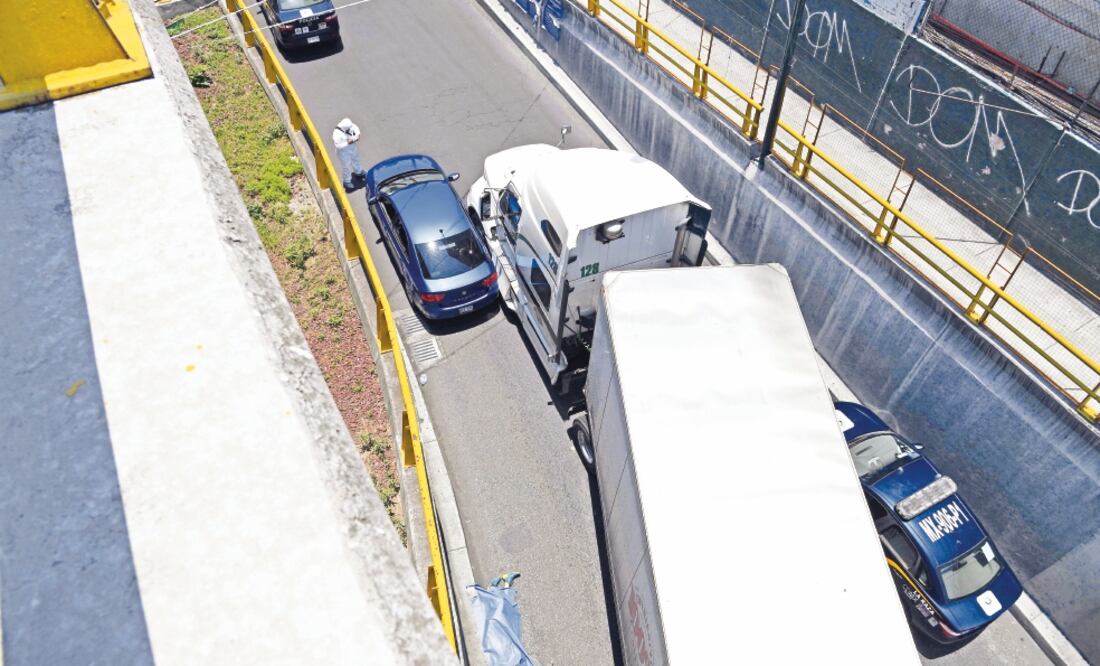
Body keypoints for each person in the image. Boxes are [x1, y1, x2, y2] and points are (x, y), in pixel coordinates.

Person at [332, 117, 366, 191]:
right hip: (343, 152)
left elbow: (355, 127)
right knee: (346, 166)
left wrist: (358, 134)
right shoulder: (336, 134)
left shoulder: (348, 124)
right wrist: (348, 142)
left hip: (352, 147)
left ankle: (358, 172)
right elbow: (338, 146)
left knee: (356, 159)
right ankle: (347, 181)